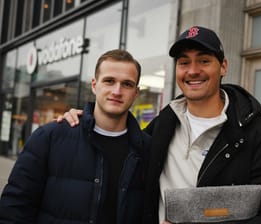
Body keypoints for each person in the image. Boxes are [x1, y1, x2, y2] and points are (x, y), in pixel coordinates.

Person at [57, 26, 261, 224]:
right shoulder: (159, 128)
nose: (193, 71)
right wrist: (85, 119)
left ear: (223, 66)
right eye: (184, 62)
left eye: (204, 60)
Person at [0, 49, 151, 224]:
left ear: (136, 92)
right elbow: (14, 209)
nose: (117, 91)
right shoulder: (49, 137)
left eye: (127, 84)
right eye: (109, 81)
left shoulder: (147, 149)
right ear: (94, 85)